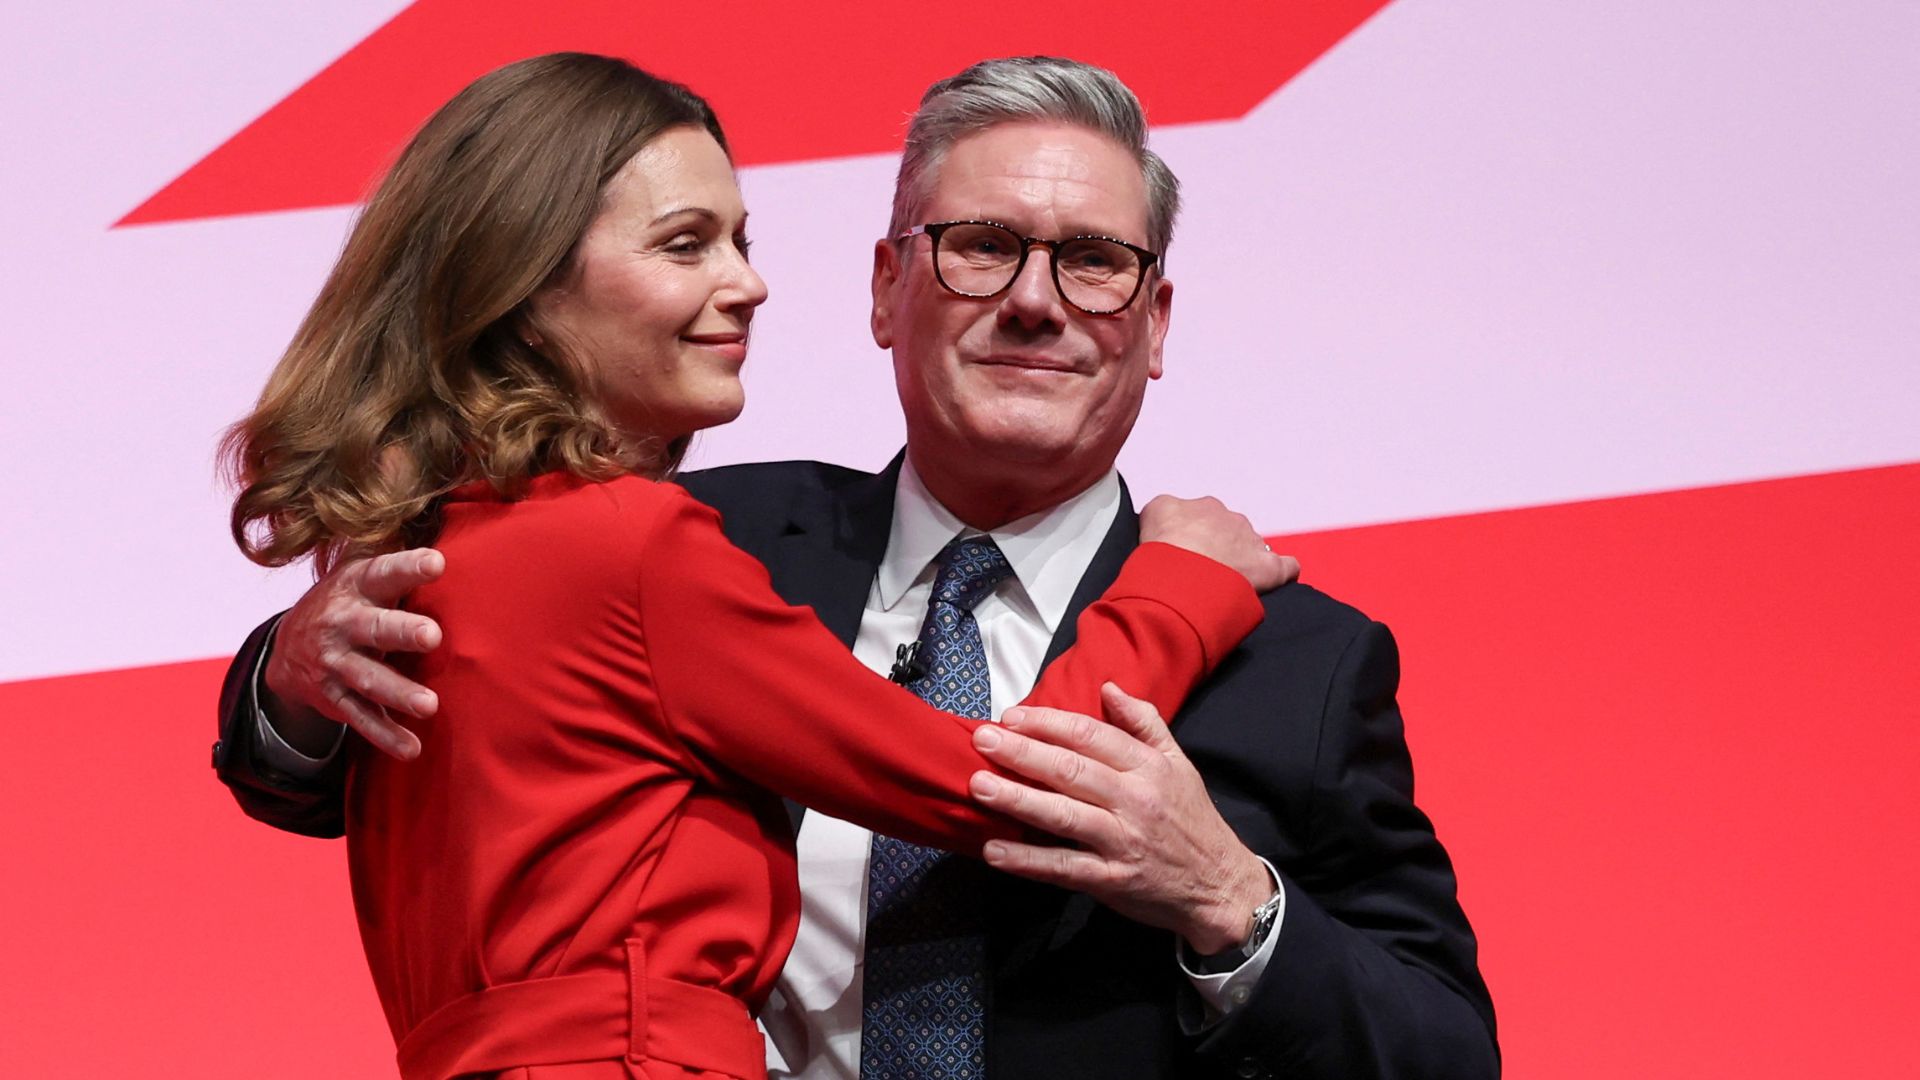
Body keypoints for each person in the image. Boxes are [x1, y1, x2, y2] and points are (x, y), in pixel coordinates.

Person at [215, 56, 1498, 1079]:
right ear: (887, 289)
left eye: (1096, 262)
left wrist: (1230, 899)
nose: (1038, 300)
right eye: (983, 244)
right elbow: (406, 776)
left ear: (1154, 326)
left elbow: (1444, 1051)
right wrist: (295, 673)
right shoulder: (683, 534)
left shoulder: (1303, 665)